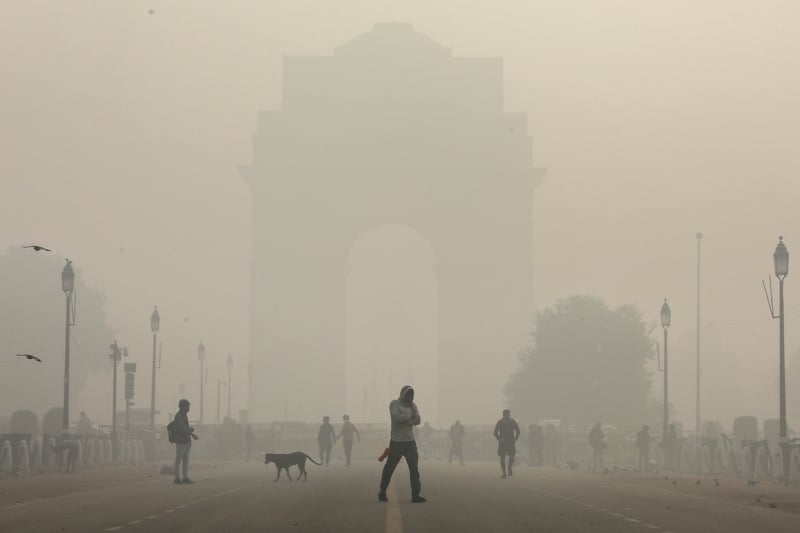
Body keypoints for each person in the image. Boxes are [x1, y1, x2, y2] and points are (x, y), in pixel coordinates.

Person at [378, 385, 426, 503]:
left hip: (410, 442)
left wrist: (406, 419)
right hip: (396, 442)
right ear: (402, 394)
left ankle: (415, 495)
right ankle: (382, 491)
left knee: (414, 469)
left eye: (411, 394)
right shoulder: (394, 404)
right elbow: (396, 417)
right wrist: (410, 419)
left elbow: (418, 420)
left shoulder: (413, 406)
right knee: (389, 468)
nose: (410, 397)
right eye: (408, 394)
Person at [171, 399, 198, 484]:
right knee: (179, 460)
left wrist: (189, 431)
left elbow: (184, 429)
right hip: (180, 441)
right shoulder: (178, 416)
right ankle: (177, 478)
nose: (188, 408)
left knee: (185, 460)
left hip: (186, 440)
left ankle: (185, 477)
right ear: (183, 407)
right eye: (187, 406)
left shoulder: (184, 416)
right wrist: (192, 434)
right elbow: (182, 429)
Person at [494, 409, 520, 478]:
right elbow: (495, 432)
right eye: (505, 415)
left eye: (508, 415)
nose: (506, 416)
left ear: (509, 415)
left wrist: (515, 438)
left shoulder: (513, 422)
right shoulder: (500, 422)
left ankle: (509, 467)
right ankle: (504, 473)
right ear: (503, 415)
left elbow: (518, 431)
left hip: (511, 442)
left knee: (512, 457)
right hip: (503, 442)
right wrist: (499, 439)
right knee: (502, 458)